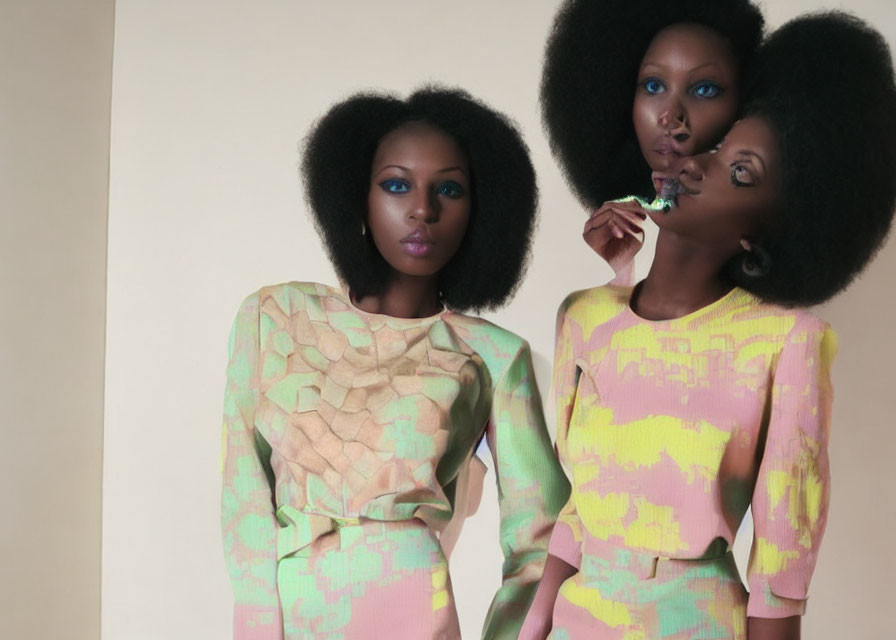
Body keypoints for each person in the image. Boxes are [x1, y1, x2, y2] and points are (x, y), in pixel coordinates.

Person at [521, 12, 896, 640]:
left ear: (761, 232)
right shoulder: (583, 318)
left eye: (739, 169)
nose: (693, 156)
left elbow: (782, 566)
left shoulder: (786, 343)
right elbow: (576, 509)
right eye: (652, 87)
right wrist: (532, 627)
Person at [220, 87, 570, 640]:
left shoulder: (493, 356)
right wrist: (258, 627)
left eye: (449, 189)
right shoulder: (272, 317)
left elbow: (545, 538)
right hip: (290, 612)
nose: (423, 210)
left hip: (414, 612)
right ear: (358, 195)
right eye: (397, 184)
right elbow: (243, 496)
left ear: (480, 210)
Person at [541, 0, 764, 281]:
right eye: (653, 86)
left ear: (745, 104)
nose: (670, 118)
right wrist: (623, 271)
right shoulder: (583, 315)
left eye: (704, 89)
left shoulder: (792, 327)